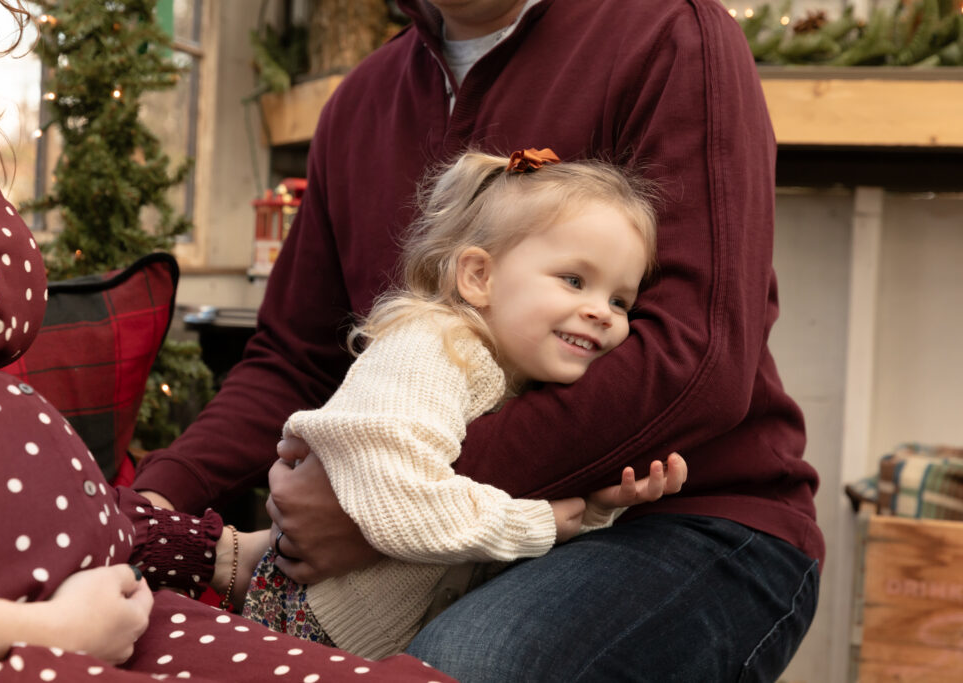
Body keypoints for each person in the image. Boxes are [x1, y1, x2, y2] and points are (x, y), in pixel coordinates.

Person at [135, 0, 825, 680]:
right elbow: (292, 359)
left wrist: (375, 503)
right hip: (444, 537)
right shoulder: (359, 104)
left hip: (691, 518)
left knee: (460, 666)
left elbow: (696, 359)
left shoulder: (673, 35)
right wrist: (150, 503)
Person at [0, 2, 456, 681]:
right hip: (14, 632)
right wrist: (48, 629)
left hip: (108, 593)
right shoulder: (365, 100)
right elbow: (290, 357)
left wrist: (212, 548)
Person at [240, 148, 687, 658]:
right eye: (574, 280)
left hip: (370, 644)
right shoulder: (429, 349)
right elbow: (400, 504)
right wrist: (538, 522)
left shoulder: (520, 375)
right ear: (478, 277)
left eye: (620, 300)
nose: (602, 313)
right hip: (313, 635)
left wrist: (595, 508)